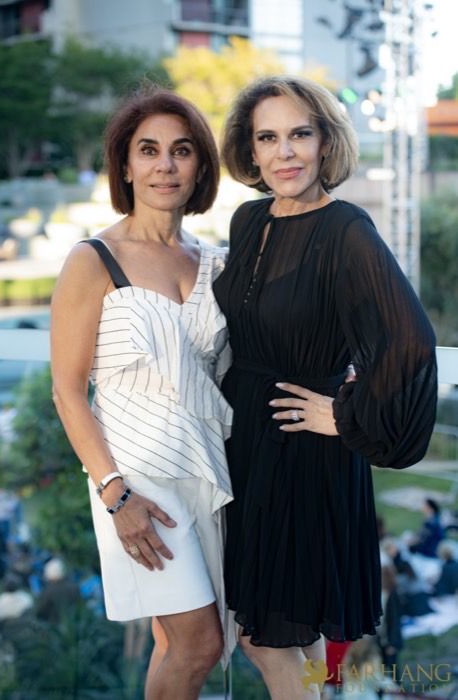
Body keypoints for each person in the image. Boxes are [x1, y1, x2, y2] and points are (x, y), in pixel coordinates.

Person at [213, 76, 437, 699]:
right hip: (248, 444)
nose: (284, 152)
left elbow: (410, 341)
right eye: (268, 138)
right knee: (295, 637)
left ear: (325, 142)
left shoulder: (346, 228)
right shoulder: (248, 220)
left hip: (304, 449)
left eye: (300, 134)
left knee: (269, 639)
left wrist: (345, 415)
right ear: (251, 150)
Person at [51, 85, 233, 700]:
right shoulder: (93, 259)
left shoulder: (216, 263)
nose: (165, 165)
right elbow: (67, 392)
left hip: (208, 470)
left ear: (200, 166)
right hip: (137, 482)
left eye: (182, 150)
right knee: (199, 644)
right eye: (148, 150)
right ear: (125, 166)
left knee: (175, 642)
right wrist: (115, 494)